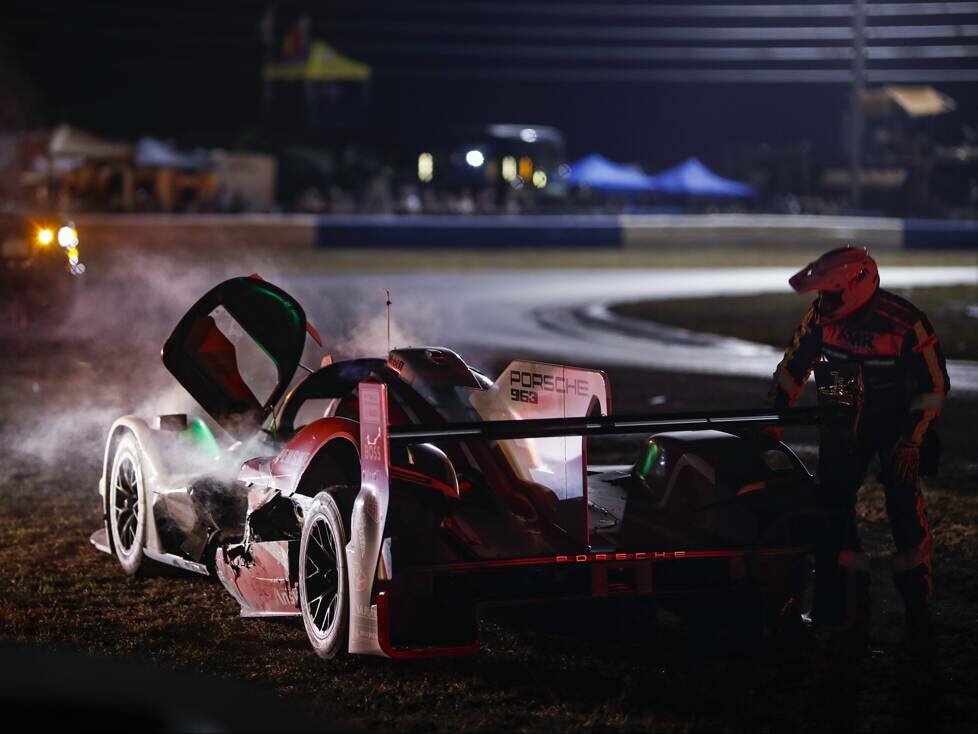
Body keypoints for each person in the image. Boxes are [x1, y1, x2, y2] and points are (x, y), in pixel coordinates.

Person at [767, 246, 948, 658]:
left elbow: (934, 386)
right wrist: (773, 417)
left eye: (830, 297)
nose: (822, 306)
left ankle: (918, 614)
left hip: (896, 423)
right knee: (831, 509)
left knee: (904, 510)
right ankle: (838, 608)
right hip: (841, 407)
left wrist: (913, 440)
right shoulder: (821, 315)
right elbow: (795, 366)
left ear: (856, 287)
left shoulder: (906, 322)